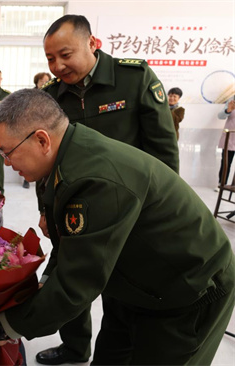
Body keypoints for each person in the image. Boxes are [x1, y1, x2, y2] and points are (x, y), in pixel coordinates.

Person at [0, 88, 235, 365]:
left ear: (42, 139)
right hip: (132, 282)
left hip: (186, 290)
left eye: (8, 152)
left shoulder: (93, 179)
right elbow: (71, 248)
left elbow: (78, 284)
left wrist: (2, 328)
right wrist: (42, 285)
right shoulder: (66, 158)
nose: (7, 163)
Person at [36, 14, 180, 364]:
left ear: (92, 43)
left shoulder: (133, 79)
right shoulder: (52, 97)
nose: (58, 66)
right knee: (70, 278)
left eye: (65, 55)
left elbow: (162, 152)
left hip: (130, 210)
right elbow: (46, 163)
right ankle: (74, 347)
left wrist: (159, 210)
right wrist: (45, 208)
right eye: (50, 59)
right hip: (74, 209)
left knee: (122, 286)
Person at [217, 98, 235, 189]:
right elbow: (220, 116)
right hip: (230, 138)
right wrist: (228, 110)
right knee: (226, 162)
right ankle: (222, 184)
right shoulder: (231, 101)